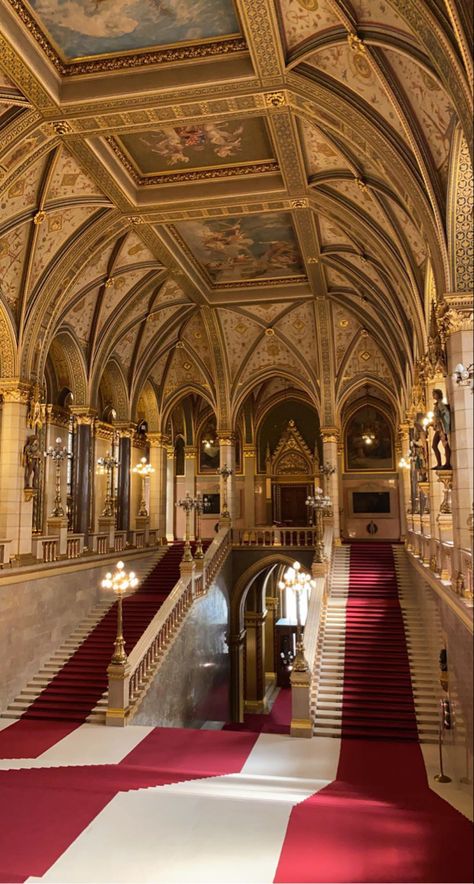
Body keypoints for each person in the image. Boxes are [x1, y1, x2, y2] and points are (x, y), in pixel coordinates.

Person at [431, 389, 451, 469]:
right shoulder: (437, 404)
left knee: (445, 444)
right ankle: (439, 463)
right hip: (438, 427)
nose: (433, 396)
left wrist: (442, 421)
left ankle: (447, 463)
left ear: (438, 394)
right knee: (434, 445)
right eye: (433, 394)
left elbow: (445, 413)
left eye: (434, 394)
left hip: (441, 427)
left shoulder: (440, 404)